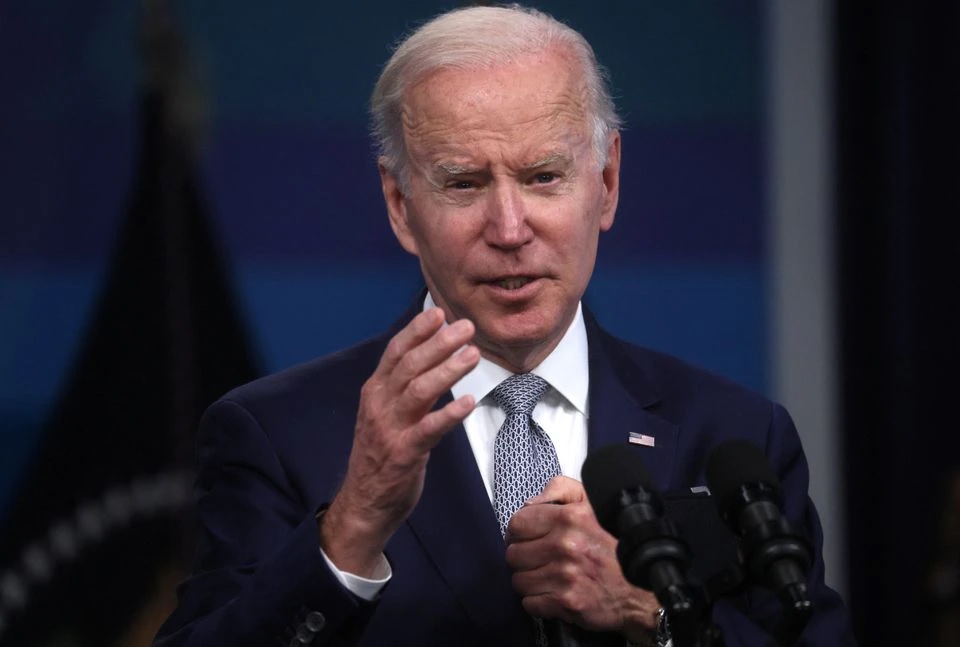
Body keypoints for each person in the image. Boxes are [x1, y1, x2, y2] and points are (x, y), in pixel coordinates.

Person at [154, 5, 854, 646]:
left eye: (544, 176)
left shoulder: (734, 435)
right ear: (400, 204)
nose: (510, 228)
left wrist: (650, 609)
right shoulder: (279, 436)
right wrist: (351, 529)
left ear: (606, 183)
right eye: (463, 183)